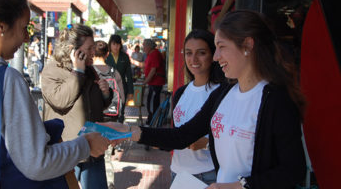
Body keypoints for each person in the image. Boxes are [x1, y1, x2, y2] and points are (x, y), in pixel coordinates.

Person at [102, 10, 307, 189]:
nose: (216, 56)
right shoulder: (224, 95)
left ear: (247, 45)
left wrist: (241, 186)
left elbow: (293, 170)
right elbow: (182, 136)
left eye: (221, 47)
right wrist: (130, 132)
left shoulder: (276, 99)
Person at [0, 0, 109, 184]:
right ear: (0, 26)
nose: (26, 38)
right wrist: (85, 145)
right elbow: (37, 163)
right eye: (24, 28)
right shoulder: (6, 79)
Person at [41, 25, 112, 189]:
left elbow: (98, 105)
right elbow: (60, 101)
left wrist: (105, 93)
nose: (94, 52)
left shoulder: (90, 70)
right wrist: (77, 72)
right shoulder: (52, 69)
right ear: (74, 50)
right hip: (67, 150)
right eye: (89, 48)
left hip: (92, 148)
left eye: (94, 47)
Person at [171, 29, 224, 185]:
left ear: (213, 55)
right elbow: (177, 133)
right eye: (188, 53)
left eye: (201, 53)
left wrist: (207, 143)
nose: (193, 59)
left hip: (207, 174)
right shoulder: (181, 92)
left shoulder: (221, 93)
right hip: (177, 172)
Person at [93, 40, 125, 122]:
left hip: (96, 113)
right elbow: (122, 96)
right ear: (107, 54)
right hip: (113, 113)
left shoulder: (90, 71)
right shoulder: (114, 71)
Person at [105, 34, 134, 123]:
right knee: (109, 112)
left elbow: (129, 75)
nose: (116, 47)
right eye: (114, 44)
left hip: (122, 88)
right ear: (110, 45)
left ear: (120, 45)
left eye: (118, 44)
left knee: (121, 113)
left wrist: (130, 91)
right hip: (108, 88)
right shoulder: (105, 56)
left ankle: (119, 133)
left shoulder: (124, 57)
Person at [142, 39, 166, 126]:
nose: (143, 47)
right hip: (152, 83)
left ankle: (153, 120)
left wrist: (145, 81)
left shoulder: (155, 54)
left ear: (149, 46)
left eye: (144, 46)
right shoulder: (150, 54)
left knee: (153, 102)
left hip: (156, 82)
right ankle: (151, 118)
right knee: (150, 102)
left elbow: (153, 70)